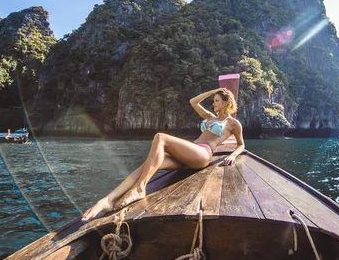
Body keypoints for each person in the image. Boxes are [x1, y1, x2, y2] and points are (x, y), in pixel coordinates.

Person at [82, 87, 245, 220]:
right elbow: (193, 102)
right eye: (213, 100)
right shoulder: (209, 117)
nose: (213, 103)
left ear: (226, 103)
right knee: (148, 164)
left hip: (203, 154)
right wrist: (213, 91)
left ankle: (140, 188)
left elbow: (241, 144)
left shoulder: (232, 123)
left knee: (160, 137)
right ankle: (108, 200)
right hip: (191, 151)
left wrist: (233, 155)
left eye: (216, 100)